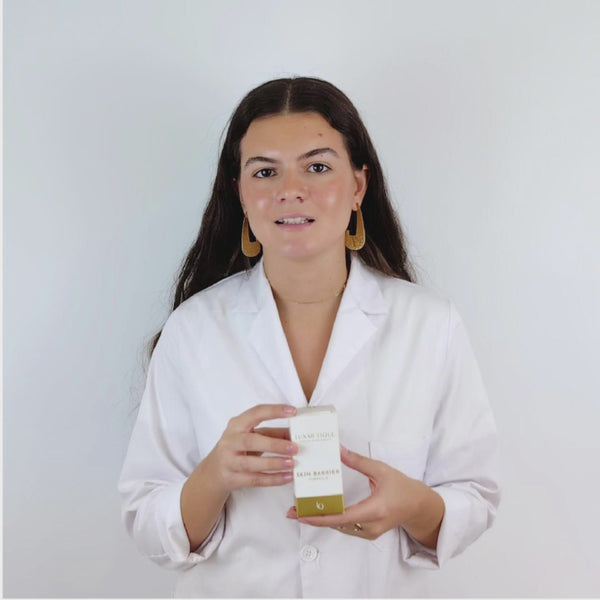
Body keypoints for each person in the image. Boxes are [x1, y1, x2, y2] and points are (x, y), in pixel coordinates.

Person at [118, 76, 500, 598]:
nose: (290, 190)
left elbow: (476, 495)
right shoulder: (194, 329)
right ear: (240, 193)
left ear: (358, 186)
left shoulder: (430, 325)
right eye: (265, 171)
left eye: (317, 167)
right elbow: (146, 518)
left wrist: (414, 505)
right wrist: (214, 477)